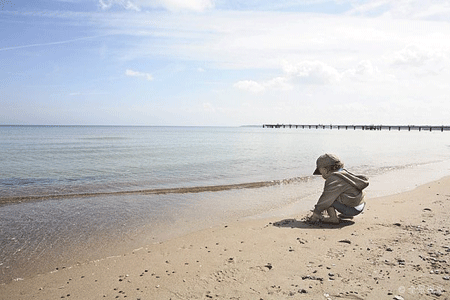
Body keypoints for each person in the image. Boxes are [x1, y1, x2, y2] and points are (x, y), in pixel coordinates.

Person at [308, 154, 369, 224]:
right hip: (361, 203)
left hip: (353, 209)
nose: (322, 176)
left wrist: (316, 212)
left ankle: (333, 218)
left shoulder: (333, 179)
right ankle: (346, 214)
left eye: (321, 173)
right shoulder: (342, 172)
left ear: (325, 170)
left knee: (329, 198)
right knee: (339, 193)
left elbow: (325, 199)